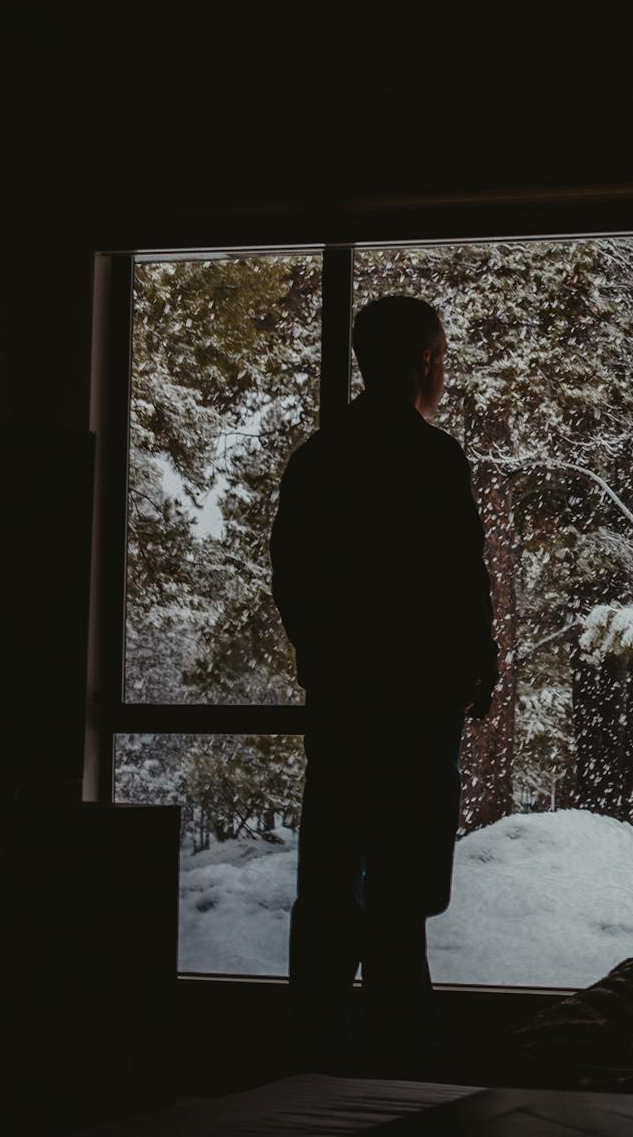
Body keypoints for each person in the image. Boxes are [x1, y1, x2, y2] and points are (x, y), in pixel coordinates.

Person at [271, 294, 497, 1075]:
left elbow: (293, 584)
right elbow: (463, 585)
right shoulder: (435, 462)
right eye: (440, 357)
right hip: (413, 718)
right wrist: (471, 666)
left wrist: (331, 662)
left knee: (331, 882)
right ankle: (401, 1074)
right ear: (423, 362)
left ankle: (312, 1065)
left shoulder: (318, 461)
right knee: (400, 903)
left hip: (343, 712)